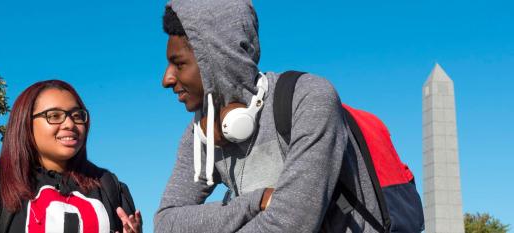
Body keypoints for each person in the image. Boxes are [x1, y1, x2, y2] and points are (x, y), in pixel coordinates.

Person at [155, 0, 383, 232]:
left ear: (218, 57)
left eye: (179, 64)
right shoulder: (200, 135)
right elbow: (165, 223)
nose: (167, 79)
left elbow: (291, 224)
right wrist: (256, 201)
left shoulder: (309, 99)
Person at [0, 80, 142, 233]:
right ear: (25, 123)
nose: (70, 124)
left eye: (77, 115)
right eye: (54, 115)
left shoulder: (108, 185)